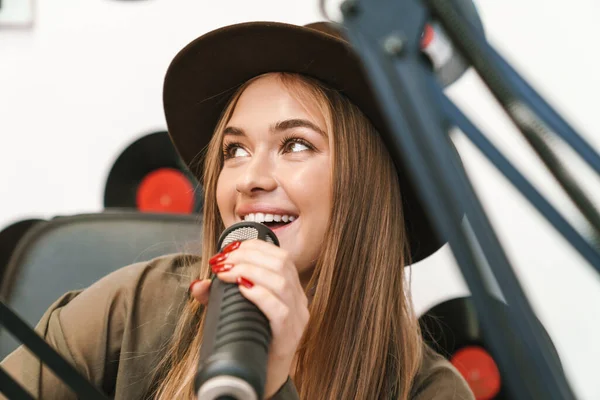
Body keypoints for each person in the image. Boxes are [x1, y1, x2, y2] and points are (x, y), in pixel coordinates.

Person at [1, 21, 475, 399]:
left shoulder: (429, 390)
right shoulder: (135, 305)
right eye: (235, 151)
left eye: (295, 144)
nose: (250, 179)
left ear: (367, 186)